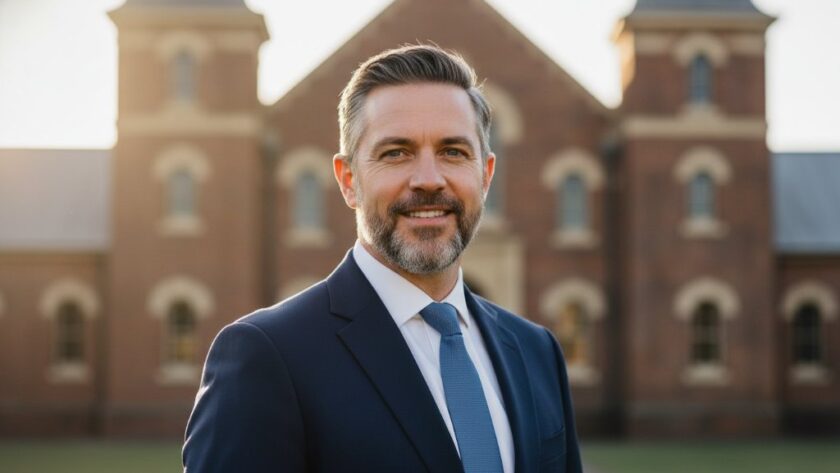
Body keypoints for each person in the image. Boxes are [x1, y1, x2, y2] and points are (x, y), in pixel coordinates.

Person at [183, 44, 582, 473]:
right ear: (348, 180)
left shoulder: (536, 352)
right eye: (396, 153)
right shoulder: (266, 357)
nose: (429, 179)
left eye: (453, 152)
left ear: (484, 176)